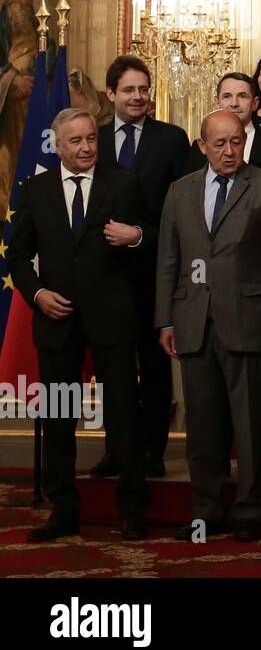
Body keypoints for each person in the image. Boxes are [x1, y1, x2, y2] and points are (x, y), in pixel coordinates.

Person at [9, 108, 151, 542]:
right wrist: (36, 295)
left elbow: (156, 239)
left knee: (124, 418)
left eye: (92, 138)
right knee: (58, 419)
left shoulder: (123, 182)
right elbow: (17, 256)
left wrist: (138, 235)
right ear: (58, 146)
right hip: (57, 320)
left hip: (113, 320)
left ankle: (132, 512)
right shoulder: (35, 190)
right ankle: (63, 511)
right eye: (77, 141)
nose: (87, 147)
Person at [157, 109, 261, 543]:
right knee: (203, 426)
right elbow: (169, 261)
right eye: (220, 144)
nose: (230, 151)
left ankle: (251, 511)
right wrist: (165, 320)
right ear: (202, 147)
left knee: (251, 425)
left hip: (250, 322)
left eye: (236, 141)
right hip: (194, 322)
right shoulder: (179, 192)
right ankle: (206, 512)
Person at [95, 55, 190, 479]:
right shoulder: (91, 140)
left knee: (154, 368)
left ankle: (151, 452)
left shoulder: (172, 139)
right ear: (111, 93)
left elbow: (182, 210)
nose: (138, 97)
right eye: (129, 90)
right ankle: (116, 451)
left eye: (144, 89)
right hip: (106, 276)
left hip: (154, 271)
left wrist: (140, 237)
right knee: (113, 370)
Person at [185, 72, 261, 181]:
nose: (234, 103)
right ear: (217, 103)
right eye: (227, 96)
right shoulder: (199, 148)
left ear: (255, 103)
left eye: (242, 96)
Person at [0, 0, 40, 217]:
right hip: (5, 115)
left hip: (28, 114)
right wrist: (13, 80)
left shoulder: (41, 30)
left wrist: (32, 84)